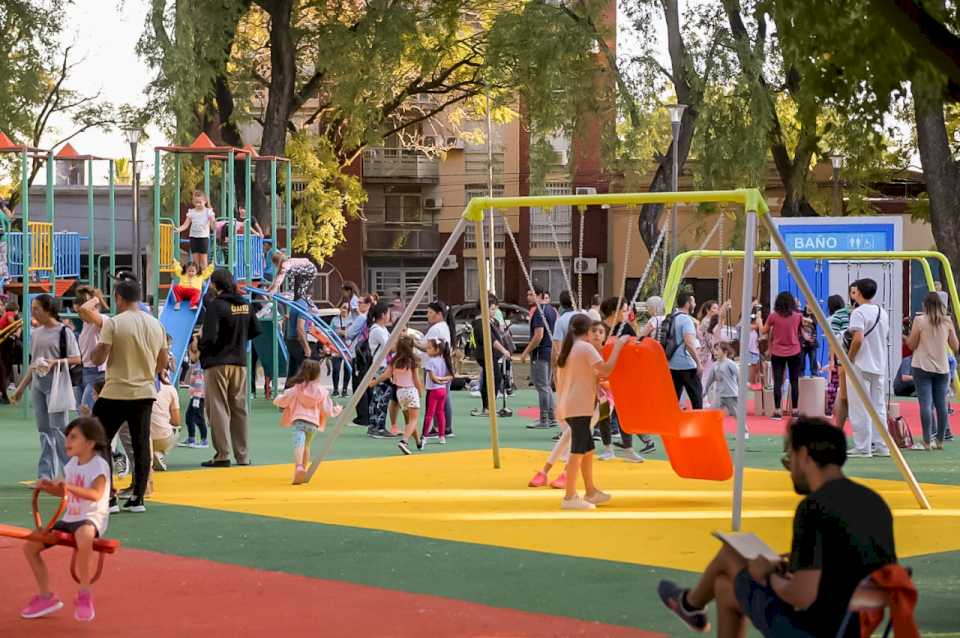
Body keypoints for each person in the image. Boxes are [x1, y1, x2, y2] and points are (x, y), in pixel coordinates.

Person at [658, 416, 896, 637]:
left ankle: (689, 604)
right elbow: (859, 561)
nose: (790, 469)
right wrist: (794, 564)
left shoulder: (814, 508)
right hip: (858, 624)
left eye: (788, 459)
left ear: (804, 455)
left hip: (816, 628)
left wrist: (768, 575)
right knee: (724, 588)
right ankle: (689, 605)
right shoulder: (873, 502)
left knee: (731, 554)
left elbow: (802, 596)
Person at [78, 277, 167, 513]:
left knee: (100, 440)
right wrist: (147, 372)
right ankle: (138, 496)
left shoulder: (114, 324)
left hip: (116, 391)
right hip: (144, 392)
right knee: (140, 443)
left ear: (118, 298)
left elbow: (99, 356)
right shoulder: (156, 324)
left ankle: (108, 495)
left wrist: (96, 354)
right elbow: (163, 361)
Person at [21, 417, 111, 622]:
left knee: (85, 534)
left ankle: (84, 593)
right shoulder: (71, 465)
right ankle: (46, 597)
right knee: (30, 547)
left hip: (90, 518)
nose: (67, 441)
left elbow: (96, 495)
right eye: (67, 436)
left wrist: (67, 487)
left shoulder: (98, 465)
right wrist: (48, 487)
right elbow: (64, 493)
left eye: (73, 437)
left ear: (89, 443)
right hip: (70, 518)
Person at [554, 314, 629, 509]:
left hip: (575, 405)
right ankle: (569, 497)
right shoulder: (584, 348)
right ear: (587, 331)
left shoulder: (571, 349)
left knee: (587, 449)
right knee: (578, 450)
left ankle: (590, 491)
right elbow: (606, 370)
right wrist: (619, 347)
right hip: (578, 406)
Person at [12, 294, 81, 481]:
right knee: (44, 430)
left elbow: (77, 358)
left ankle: (70, 474)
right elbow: (33, 364)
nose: (33, 312)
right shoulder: (36, 333)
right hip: (38, 384)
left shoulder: (64, 332)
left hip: (57, 384)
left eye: (36, 308)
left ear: (48, 309)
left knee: (59, 429)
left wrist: (55, 363)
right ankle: (46, 476)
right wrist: (20, 389)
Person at [199, 269, 261, 467]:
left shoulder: (216, 306)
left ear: (216, 285)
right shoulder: (245, 304)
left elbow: (209, 336)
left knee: (218, 408)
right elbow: (255, 330)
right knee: (239, 409)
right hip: (239, 361)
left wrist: (199, 347)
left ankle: (222, 455)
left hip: (217, 362)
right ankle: (242, 455)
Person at [599, 296, 653, 460]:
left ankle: (629, 449)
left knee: (624, 413)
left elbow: (635, 350)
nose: (627, 313)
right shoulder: (600, 329)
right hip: (603, 378)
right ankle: (608, 448)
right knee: (603, 414)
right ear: (614, 312)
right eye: (624, 310)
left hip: (622, 377)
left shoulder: (626, 328)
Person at [274, 359, 343, 484]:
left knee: (298, 444)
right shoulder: (321, 392)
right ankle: (304, 469)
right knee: (307, 445)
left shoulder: (297, 389)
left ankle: (298, 467)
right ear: (317, 374)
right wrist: (337, 410)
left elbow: (284, 400)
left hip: (299, 421)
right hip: (313, 424)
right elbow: (327, 410)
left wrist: (277, 399)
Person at [905, 291, 958, 450]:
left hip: (921, 366)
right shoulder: (947, 321)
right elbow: (955, 346)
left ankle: (927, 441)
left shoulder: (920, 320)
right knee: (942, 405)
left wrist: (907, 338)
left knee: (926, 405)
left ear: (925, 305)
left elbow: (912, 345)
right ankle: (940, 441)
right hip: (942, 368)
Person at [847, 278, 890, 458]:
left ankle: (863, 446)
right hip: (879, 363)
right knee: (878, 406)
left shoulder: (858, 313)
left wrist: (848, 358)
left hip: (861, 363)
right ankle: (882, 445)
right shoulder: (883, 312)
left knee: (859, 405)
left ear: (858, 292)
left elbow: (857, 339)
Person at [370, 335, 424, 454]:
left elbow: (386, 375)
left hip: (400, 393)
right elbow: (416, 379)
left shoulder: (394, 361)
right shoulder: (412, 361)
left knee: (408, 420)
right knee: (414, 419)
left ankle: (418, 442)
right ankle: (404, 441)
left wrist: (373, 383)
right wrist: (420, 391)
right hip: (411, 390)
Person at [761, 291, 803, 419]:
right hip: (795, 351)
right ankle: (795, 410)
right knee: (794, 380)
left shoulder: (773, 316)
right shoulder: (798, 316)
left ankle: (778, 411)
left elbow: (764, 330)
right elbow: (800, 332)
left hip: (777, 352)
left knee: (778, 381)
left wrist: (759, 321)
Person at [521, 287, 558, 429]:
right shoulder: (551, 310)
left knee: (542, 386)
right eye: (528, 294)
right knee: (546, 386)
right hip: (549, 351)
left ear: (540, 295)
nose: (528, 297)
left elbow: (539, 335)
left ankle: (544, 419)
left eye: (531, 294)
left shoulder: (539, 312)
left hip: (540, 353)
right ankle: (551, 417)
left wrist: (525, 352)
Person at [418, 300, 456, 436]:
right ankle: (441, 426)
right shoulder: (443, 326)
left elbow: (428, 346)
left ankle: (444, 428)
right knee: (443, 396)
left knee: (439, 397)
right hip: (441, 365)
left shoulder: (437, 328)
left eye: (430, 312)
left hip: (436, 367)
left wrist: (413, 342)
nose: (427, 315)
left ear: (439, 314)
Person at [470, 295, 512, 417]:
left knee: (491, 378)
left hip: (492, 354)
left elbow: (498, 336)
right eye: (491, 309)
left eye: (494, 309)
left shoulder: (492, 321)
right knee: (495, 377)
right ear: (484, 308)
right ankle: (488, 406)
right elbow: (491, 340)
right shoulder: (479, 323)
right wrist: (504, 350)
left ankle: (488, 407)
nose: (494, 312)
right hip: (484, 354)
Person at [73, 287, 109, 413]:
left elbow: (85, 309)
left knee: (86, 411)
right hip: (86, 370)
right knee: (81, 409)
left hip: (97, 372)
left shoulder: (101, 320)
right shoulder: (86, 324)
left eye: (81, 313)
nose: (80, 316)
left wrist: (95, 297)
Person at [666, 292, 703, 410]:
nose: (695, 304)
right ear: (688, 304)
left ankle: (671, 425)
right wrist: (698, 363)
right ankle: (699, 426)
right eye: (693, 301)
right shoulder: (686, 320)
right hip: (687, 365)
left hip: (672, 364)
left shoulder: (672, 318)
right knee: (696, 399)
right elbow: (689, 343)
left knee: (672, 401)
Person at [365, 302, 397, 438]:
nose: (390, 315)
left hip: (380, 365)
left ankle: (373, 425)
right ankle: (379, 427)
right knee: (382, 397)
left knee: (377, 396)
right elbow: (391, 347)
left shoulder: (381, 329)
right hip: (381, 366)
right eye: (388, 313)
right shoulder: (378, 330)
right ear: (383, 315)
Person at [421, 338, 453, 444]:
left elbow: (432, 377)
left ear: (437, 349)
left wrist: (439, 381)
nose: (427, 350)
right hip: (442, 390)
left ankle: (424, 436)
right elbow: (449, 376)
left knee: (429, 413)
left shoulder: (430, 362)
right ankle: (442, 436)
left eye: (429, 348)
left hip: (433, 390)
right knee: (440, 412)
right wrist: (443, 381)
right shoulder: (444, 361)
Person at [179, 336, 208, 448]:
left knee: (198, 416)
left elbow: (201, 382)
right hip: (195, 395)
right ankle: (191, 438)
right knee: (189, 416)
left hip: (199, 396)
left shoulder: (201, 363)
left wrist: (196, 396)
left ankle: (204, 440)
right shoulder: (196, 364)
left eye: (193, 351)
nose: (190, 354)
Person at [704, 342, 743, 425]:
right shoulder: (714, 365)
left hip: (730, 395)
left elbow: (739, 375)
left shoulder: (730, 363)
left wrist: (742, 388)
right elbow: (709, 381)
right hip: (719, 395)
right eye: (714, 350)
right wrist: (704, 392)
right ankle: (711, 431)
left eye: (717, 350)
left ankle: (744, 431)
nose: (715, 352)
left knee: (736, 414)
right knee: (712, 413)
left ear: (725, 352)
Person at [177, 190, 216, 271]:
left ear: (205, 201)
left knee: (203, 259)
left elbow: (213, 224)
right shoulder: (191, 212)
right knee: (195, 260)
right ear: (193, 202)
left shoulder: (208, 211)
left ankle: (204, 279)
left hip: (203, 237)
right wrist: (178, 229)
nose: (198, 204)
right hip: (193, 237)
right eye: (196, 202)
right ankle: (197, 278)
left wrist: (214, 223)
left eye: (200, 202)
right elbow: (185, 224)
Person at [150, 371, 180, 472]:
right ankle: (159, 453)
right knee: (177, 429)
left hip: (142, 437)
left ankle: (147, 457)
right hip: (163, 437)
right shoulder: (171, 389)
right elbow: (176, 421)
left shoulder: (140, 386)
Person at [826, 294, 849, 421]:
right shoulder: (847, 317)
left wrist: (831, 360)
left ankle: (830, 409)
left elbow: (832, 342)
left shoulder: (830, 320)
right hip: (849, 353)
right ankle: (848, 410)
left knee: (834, 383)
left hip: (837, 354)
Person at [329, 302, 353, 397]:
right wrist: (337, 332)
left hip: (348, 348)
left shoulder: (352, 320)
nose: (344, 310)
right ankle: (335, 389)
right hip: (336, 348)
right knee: (336, 369)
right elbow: (330, 333)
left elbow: (354, 332)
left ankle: (344, 389)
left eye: (347, 308)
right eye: (343, 307)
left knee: (347, 369)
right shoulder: (334, 320)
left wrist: (346, 332)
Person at [0, 298, 20, 404]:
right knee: (3, 368)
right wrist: (17, 331)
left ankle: (3, 393)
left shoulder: (5, 314)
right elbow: (13, 323)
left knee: (4, 367)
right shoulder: (10, 313)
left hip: (4, 340)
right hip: (4, 341)